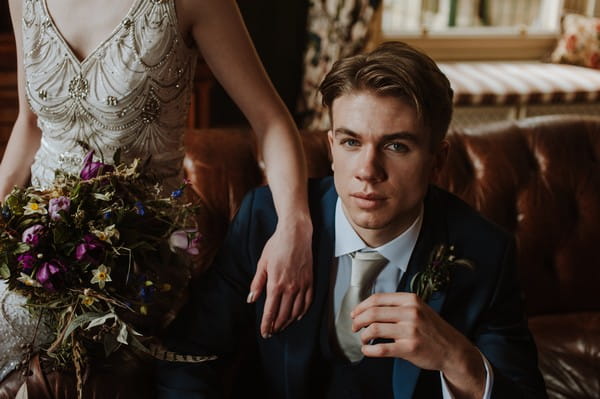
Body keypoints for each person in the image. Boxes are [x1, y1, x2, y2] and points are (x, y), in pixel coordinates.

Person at [155, 41, 548, 398]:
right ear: (331, 148)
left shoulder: (484, 252)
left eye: (396, 146)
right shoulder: (264, 220)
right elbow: (186, 357)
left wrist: (455, 356)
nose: (367, 170)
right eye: (351, 142)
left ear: (437, 160)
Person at [0, 0, 313, 382]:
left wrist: (295, 225)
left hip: (138, 258)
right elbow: (30, 122)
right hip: (38, 245)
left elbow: (272, 120)